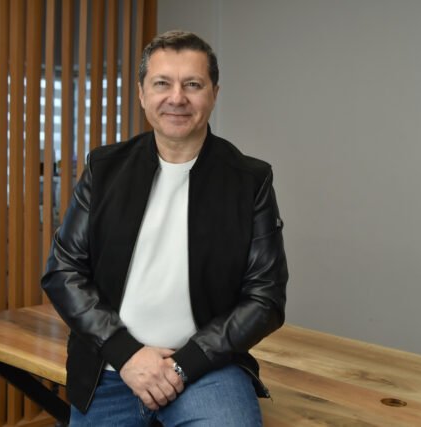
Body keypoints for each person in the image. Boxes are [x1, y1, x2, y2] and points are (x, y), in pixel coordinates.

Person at [41, 30, 288, 427]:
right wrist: (126, 354)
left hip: (207, 370)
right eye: (162, 84)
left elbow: (266, 296)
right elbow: (62, 271)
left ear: (214, 94)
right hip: (111, 366)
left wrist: (185, 364)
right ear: (142, 93)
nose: (177, 98)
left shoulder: (250, 181)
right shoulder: (104, 169)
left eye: (193, 84)